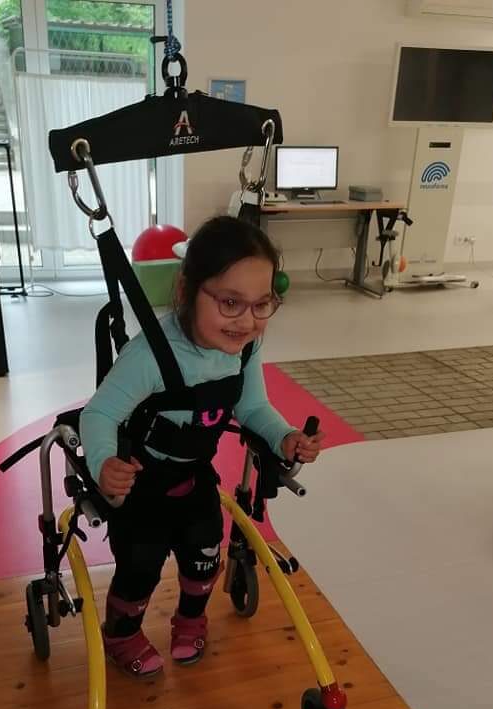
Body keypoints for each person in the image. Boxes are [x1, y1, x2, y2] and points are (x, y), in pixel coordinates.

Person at [80, 215, 323, 678]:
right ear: (187, 290)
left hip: (194, 477)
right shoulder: (150, 356)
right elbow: (99, 414)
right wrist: (103, 461)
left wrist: (285, 436)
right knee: (139, 569)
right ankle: (121, 634)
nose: (247, 321)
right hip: (141, 483)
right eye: (230, 302)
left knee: (204, 557)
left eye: (262, 305)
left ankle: (191, 620)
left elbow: (253, 406)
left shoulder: (246, 348)